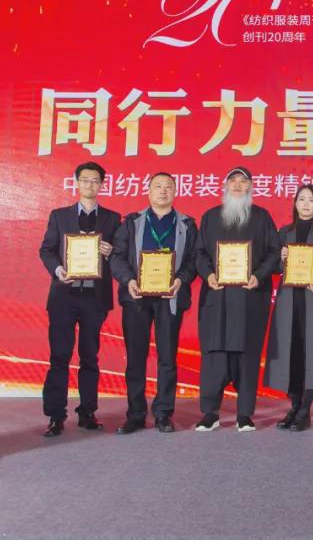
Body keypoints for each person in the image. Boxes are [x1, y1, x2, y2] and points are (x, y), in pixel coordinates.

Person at [109, 172, 197, 434]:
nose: (163, 191)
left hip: (170, 298)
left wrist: (181, 280)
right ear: (148, 191)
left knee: (167, 358)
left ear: (175, 192)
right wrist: (128, 280)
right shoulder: (132, 222)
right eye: (158, 186)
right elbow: (117, 256)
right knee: (136, 357)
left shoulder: (187, 224)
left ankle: (163, 413)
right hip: (137, 297)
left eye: (168, 186)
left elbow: (194, 260)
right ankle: (135, 414)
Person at [37, 162, 121, 437]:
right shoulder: (59, 216)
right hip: (64, 295)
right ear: (76, 182)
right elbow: (47, 250)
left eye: (95, 181)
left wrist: (110, 251)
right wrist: (58, 270)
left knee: (90, 356)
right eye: (85, 180)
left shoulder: (112, 218)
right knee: (59, 356)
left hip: (94, 298)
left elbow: (120, 253)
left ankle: (87, 412)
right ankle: (55, 415)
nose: (90, 185)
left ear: (102, 184)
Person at [194, 167, 280, 432]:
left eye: (244, 182)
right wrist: (208, 275)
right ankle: (210, 414)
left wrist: (258, 275)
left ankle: (244, 414)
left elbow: (274, 253)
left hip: (249, 298)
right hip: (217, 297)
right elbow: (199, 253)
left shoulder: (262, 217)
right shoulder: (210, 217)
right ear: (225, 186)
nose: (238, 186)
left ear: (250, 187)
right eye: (233, 181)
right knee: (214, 355)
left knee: (247, 355)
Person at [264, 185, 313, 432]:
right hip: (289, 300)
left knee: (311, 351)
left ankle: (305, 408)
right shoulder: (285, 232)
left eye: (310, 200)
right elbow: (274, 266)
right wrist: (281, 258)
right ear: (295, 203)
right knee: (291, 352)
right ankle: (294, 406)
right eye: (301, 199)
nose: (306, 204)